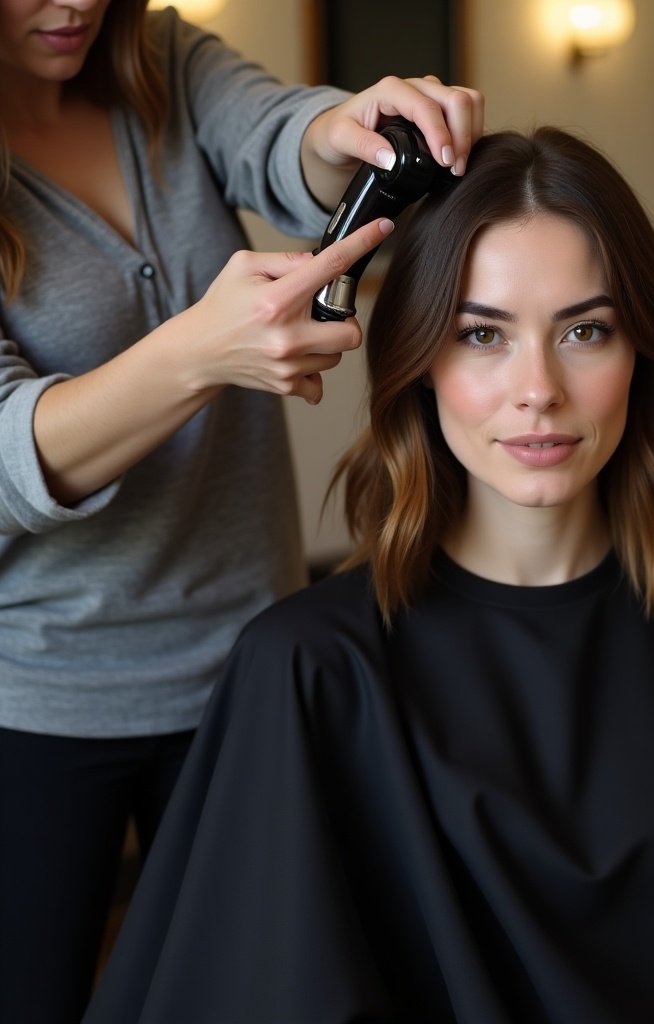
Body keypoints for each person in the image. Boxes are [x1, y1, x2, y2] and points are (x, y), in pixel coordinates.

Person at [85, 127, 654, 1023]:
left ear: (641, 356)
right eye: (482, 335)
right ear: (418, 363)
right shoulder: (313, 669)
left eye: (585, 332)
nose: (539, 388)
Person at [0, 0, 483, 1019]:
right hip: (37, 698)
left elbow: (276, 135)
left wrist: (344, 130)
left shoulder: (160, 58)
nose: (76, 3)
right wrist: (195, 356)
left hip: (241, 664)